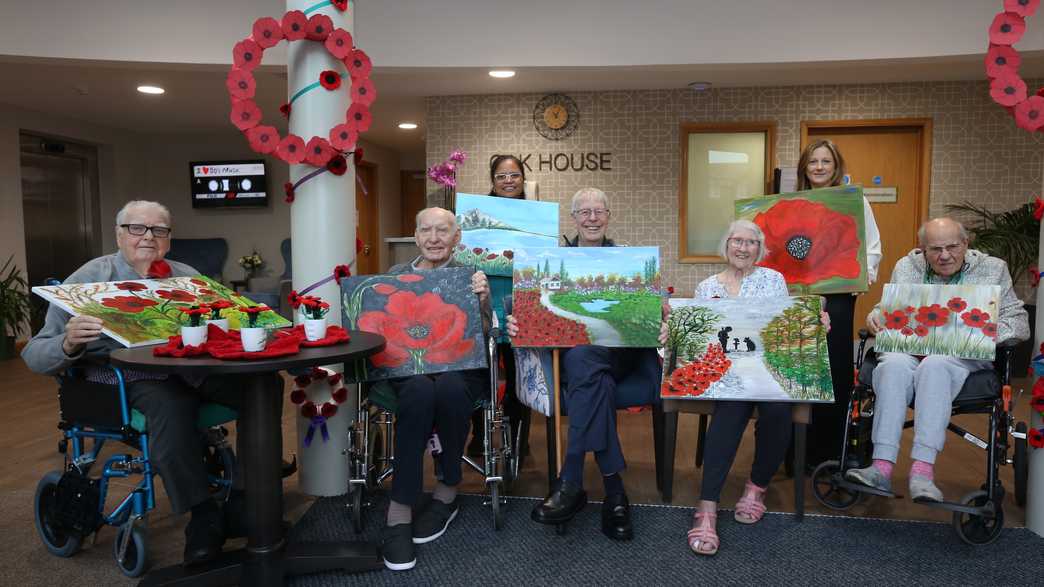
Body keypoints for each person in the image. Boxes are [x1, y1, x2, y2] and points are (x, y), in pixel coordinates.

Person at [21, 200, 281, 566]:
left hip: (192, 367)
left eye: (159, 230)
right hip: (126, 377)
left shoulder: (185, 275)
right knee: (172, 403)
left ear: (169, 239)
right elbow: (34, 354)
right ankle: (203, 515)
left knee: (263, 385)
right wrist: (68, 342)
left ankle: (243, 500)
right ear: (119, 234)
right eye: (137, 228)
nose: (148, 237)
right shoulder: (89, 279)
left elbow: (226, 322)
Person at [507, 187, 663, 541]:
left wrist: (659, 312)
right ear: (574, 218)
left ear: (608, 216)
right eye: (584, 212)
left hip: (619, 355)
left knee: (585, 360)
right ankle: (615, 489)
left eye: (599, 211)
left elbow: (646, 314)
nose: (592, 218)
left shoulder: (629, 260)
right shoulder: (552, 259)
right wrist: (519, 320)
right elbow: (536, 311)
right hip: (575, 358)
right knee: (589, 371)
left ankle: (571, 481)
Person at [845, 218, 1028, 501]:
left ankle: (922, 471)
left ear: (966, 244)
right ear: (922, 250)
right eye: (935, 249)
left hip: (958, 357)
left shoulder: (993, 269)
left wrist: (981, 334)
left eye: (952, 247)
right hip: (907, 351)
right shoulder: (908, 267)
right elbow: (885, 308)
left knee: (936, 364)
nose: (944, 256)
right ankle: (880, 467)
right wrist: (875, 319)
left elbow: (1018, 323)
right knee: (892, 365)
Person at [380, 207, 492, 571]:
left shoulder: (470, 276)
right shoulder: (396, 275)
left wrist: (484, 301)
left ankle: (446, 491)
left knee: (446, 387)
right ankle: (400, 511)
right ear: (415, 237)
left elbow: (488, 335)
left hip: (459, 368)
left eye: (442, 231)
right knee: (418, 390)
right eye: (426, 231)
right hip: (409, 371)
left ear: (456, 237)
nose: (434, 238)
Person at [685, 220, 795, 556]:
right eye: (737, 241)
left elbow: (784, 327)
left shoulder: (773, 280)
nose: (743, 248)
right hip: (725, 371)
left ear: (760, 249)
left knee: (779, 409)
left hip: (766, 367)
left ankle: (756, 487)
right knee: (731, 408)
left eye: (751, 242)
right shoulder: (707, 287)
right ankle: (707, 506)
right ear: (726, 245)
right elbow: (699, 337)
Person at [796, 139, 883, 470]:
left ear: (836, 167)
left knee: (833, 369)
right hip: (797, 297)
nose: (819, 167)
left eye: (826, 162)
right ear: (805, 167)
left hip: (838, 295)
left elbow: (871, 246)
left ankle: (833, 452)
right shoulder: (793, 202)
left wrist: (861, 278)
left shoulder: (853, 200)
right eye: (813, 162)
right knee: (798, 367)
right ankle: (796, 454)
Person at [466, 155, 531, 462]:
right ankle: (478, 437)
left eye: (514, 175)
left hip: (521, 303)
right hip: (485, 300)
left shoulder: (536, 217)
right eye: (502, 176)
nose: (508, 181)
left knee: (521, 375)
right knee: (480, 374)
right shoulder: (477, 216)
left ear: (523, 179)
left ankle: (520, 440)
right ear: (492, 181)